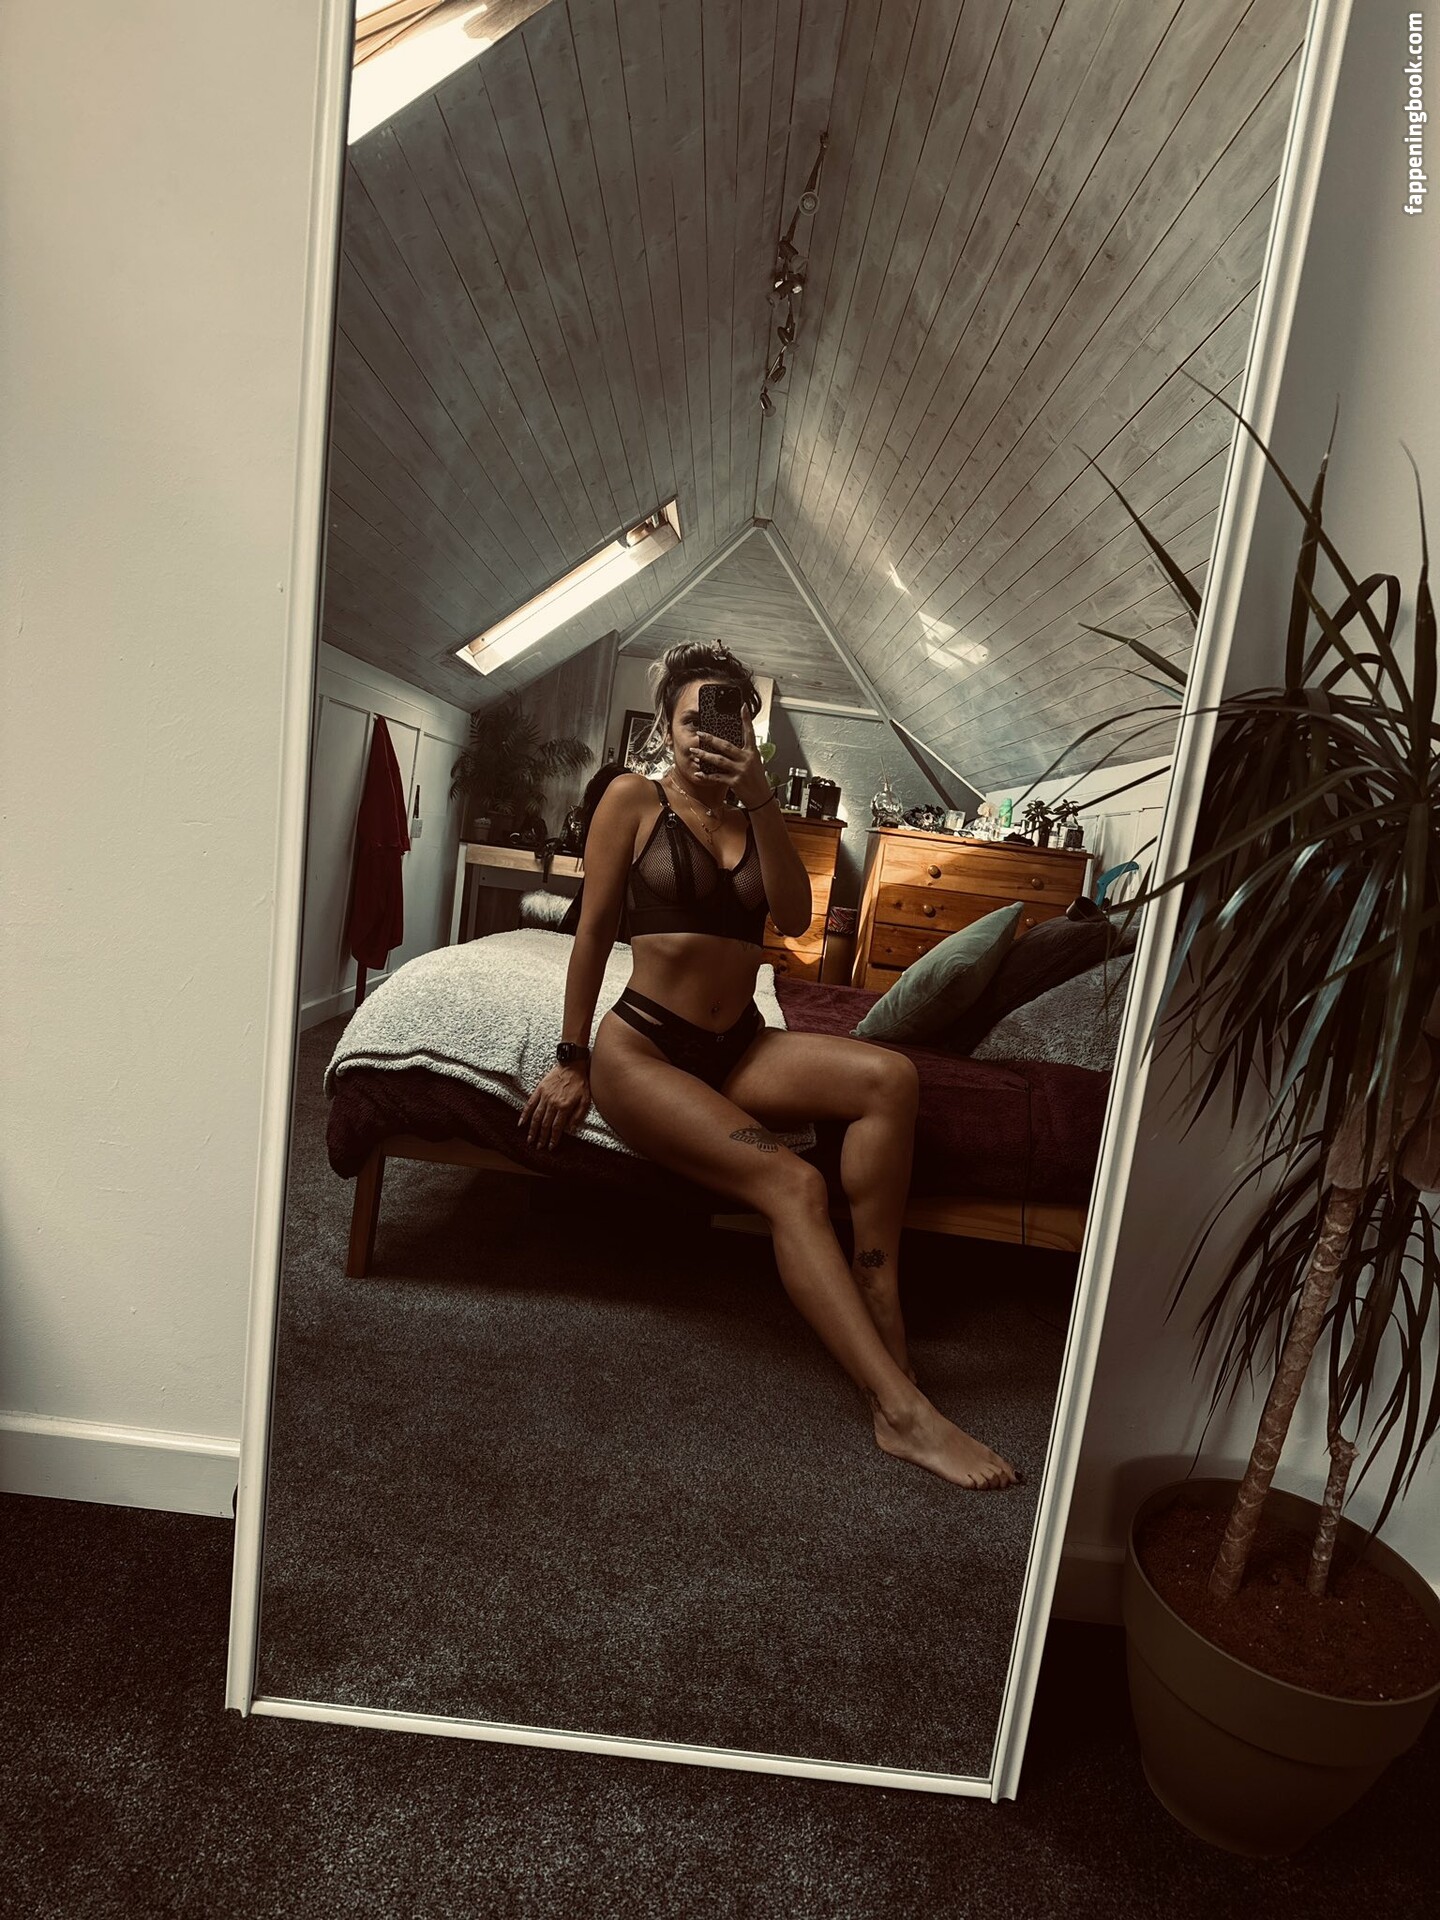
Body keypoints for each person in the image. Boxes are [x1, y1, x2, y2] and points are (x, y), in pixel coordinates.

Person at [519, 641, 1019, 1492]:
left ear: (749, 732)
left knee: (892, 1078)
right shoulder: (634, 799)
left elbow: (790, 920)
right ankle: (900, 1412)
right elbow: (594, 931)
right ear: (667, 727)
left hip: (740, 1045)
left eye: (728, 721)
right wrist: (572, 1059)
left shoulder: (756, 812)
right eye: (693, 719)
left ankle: (879, 1291)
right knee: (793, 1184)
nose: (708, 736)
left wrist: (760, 802)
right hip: (644, 1051)